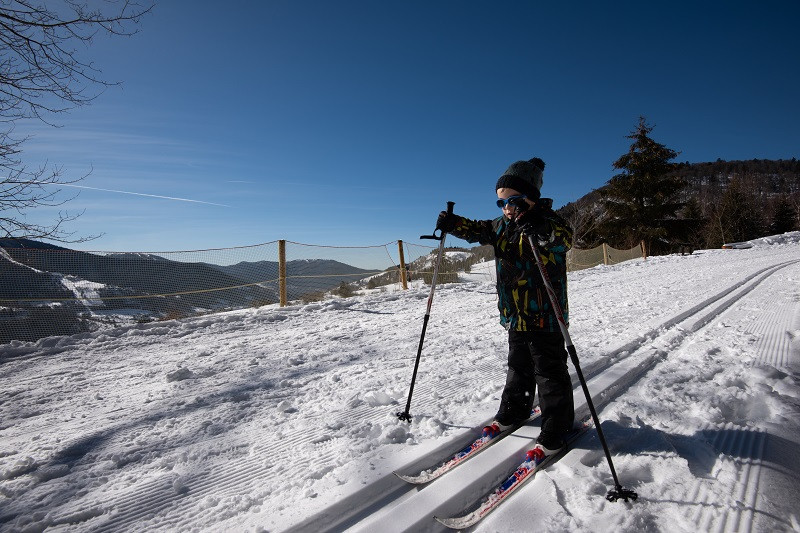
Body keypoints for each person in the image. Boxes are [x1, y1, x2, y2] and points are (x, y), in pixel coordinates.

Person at [435, 157, 574, 458]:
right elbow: (477, 229)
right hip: (514, 315)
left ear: (532, 198)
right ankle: (514, 411)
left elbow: (562, 239)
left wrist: (537, 226)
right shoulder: (502, 227)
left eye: (514, 201)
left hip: (545, 315)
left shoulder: (550, 224)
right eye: (501, 203)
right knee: (518, 367)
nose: (507, 208)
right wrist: (453, 223)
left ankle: (557, 427)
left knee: (549, 373)